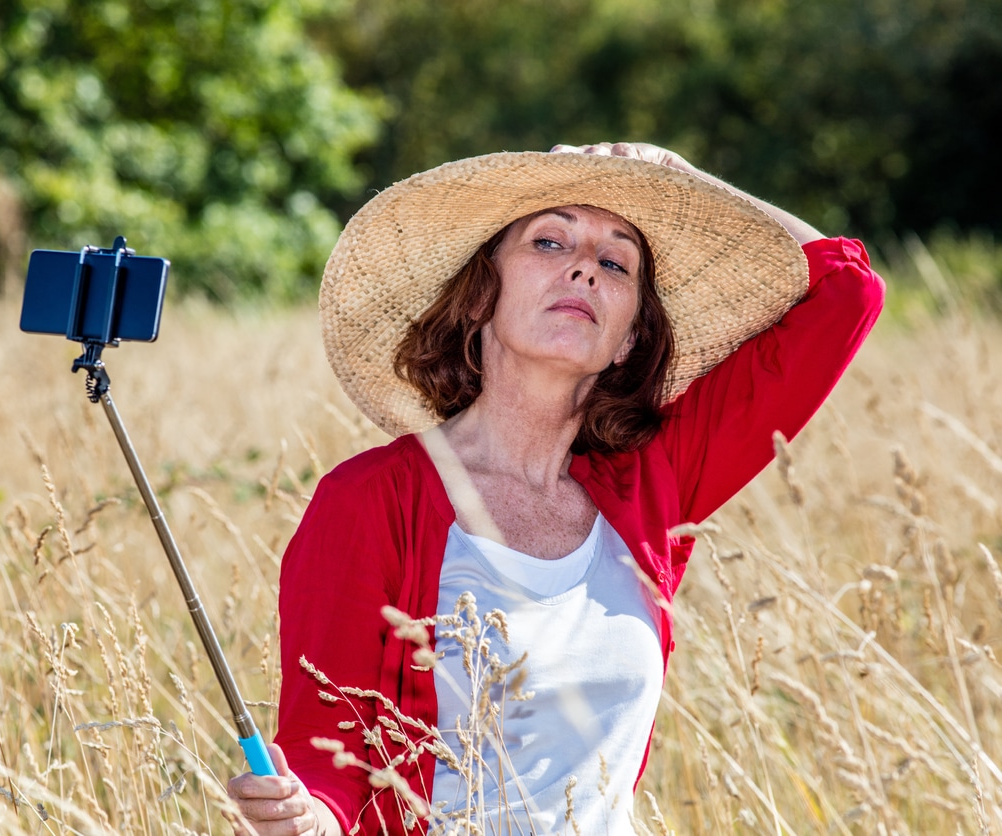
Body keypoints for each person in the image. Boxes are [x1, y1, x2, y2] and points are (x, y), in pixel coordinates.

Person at [227, 142, 885, 835]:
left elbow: (849, 294)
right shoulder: (368, 498)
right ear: (481, 295)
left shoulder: (651, 485)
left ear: (628, 337)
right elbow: (323, 747)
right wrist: (311, 818)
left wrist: (685, 180)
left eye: (615, 261)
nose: (583, 267)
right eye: (549, 240)